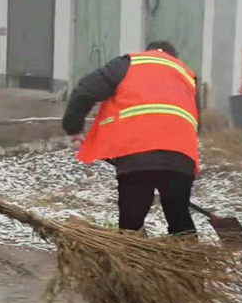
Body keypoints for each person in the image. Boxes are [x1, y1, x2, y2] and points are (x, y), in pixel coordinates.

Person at [61, 41, 201, 235]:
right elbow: (195, 122)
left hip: (136, 153)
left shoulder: (129, 63)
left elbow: (85, 90)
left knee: (131, 225)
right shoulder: (187, 74)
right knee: (179, 220)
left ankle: (131, 259)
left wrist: (72, 128)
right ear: (174, 57)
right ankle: (189, 259)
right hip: (180, 155)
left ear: (148, 51)